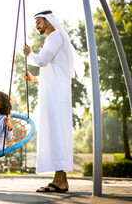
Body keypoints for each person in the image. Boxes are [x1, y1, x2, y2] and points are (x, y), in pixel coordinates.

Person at [23, 10, 84, 192]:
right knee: (56, 134)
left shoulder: (56, 36)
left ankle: (60, 181)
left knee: (57, 133)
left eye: (39, 22)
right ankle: (60, 180)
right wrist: (34, 79)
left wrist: (29, 54)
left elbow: (42, 61)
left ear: (48, 21)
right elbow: (52, 71)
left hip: (56, 96)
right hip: (55, 93)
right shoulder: (54, 39)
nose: (37, 26)